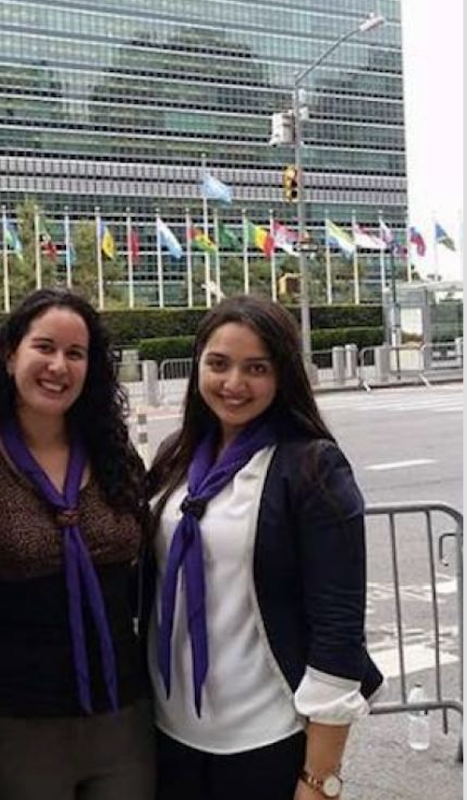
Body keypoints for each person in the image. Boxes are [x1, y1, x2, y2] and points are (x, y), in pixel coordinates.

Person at [144, 295, 384, 800]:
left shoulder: (313, 467)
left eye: (256, 368)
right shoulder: (176, 457)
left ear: (283, 376)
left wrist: (319, 781)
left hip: (267, 736)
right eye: (218, 364)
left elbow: (338, 629)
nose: (234, 384)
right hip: (169, 734)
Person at [0, 288, 155, 800]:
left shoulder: (112, 453)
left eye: (75, 354)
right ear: (10, 353)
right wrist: (0, 572)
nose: (58, 366)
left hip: (122, 714)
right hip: (17, 720)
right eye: (44, 347)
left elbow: (144, 559)